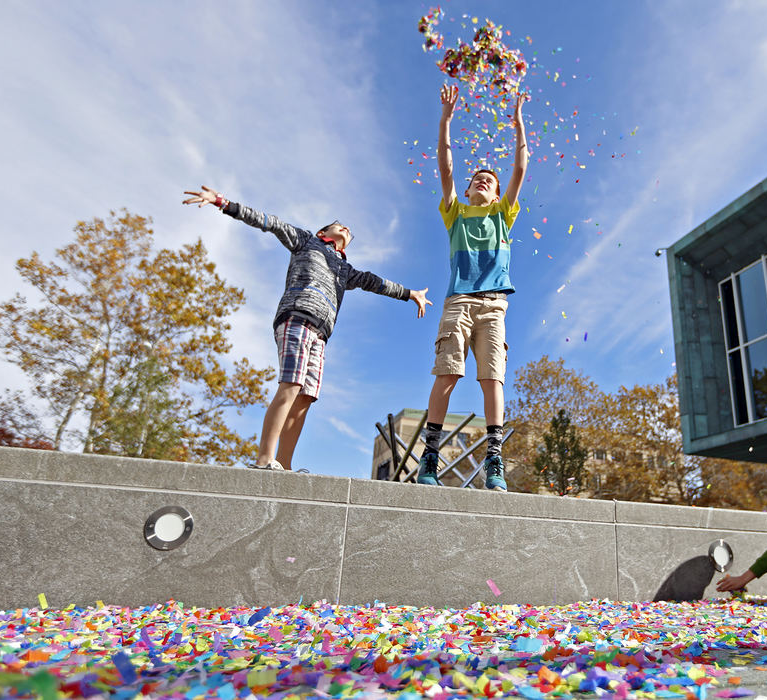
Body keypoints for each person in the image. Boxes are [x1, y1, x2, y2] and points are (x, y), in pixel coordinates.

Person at [182, 185, 431, 471]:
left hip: (321, 334)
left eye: (349, 230)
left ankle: (284, 466)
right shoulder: (306, 242)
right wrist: (223, 203)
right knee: (291, 385)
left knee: (305, 398)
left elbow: (374, 282)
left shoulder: (345, 270)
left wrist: (409, 293)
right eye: (340, 224)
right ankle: (264, 459)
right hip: (298, 316)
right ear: (324, 233)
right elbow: (269, 222)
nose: (346, 227)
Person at [416, 84, 528, 492]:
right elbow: (445, 168)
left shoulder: (503, 216)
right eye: (476, 178)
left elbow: (519, 170)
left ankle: (494, 460)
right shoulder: (456, 213)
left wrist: (518, 125)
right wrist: (445, 120)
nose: (481, 180)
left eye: (488, 180)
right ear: (466, 192)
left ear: (498, 195)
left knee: (492, 380)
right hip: (459, 302)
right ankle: (430, 454)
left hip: (494, 306)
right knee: (447, 375)